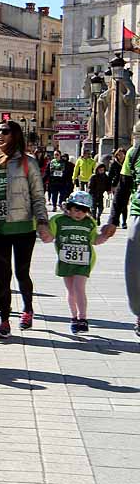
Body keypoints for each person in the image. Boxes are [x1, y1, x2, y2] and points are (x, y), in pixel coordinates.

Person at [0, 120, 51, 339]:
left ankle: (27, 309)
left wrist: (42, 222)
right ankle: (4, 320)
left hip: (23, 228)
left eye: (5, 131)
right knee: (1, 276)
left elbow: (37, 195)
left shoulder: (27, 162)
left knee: (22, 273)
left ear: (15, 135)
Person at [49, 190, 111, 336]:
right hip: (65, 261)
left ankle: (83, 318)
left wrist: (105, 236)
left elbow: (94, 240)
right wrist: (42, 228)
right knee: (71, 290)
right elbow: (49, 235)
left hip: (84, 261)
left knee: (79, 288)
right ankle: (74, 317)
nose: (80, 214)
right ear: (69, 208)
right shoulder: (58, 220)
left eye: (84, 210)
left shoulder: (89, 222)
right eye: (76, 209)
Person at [102, 124, 140, 334]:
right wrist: (113, 220)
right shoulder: (134, 154)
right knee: (134, 268)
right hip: (139, 213)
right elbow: (123, 189)